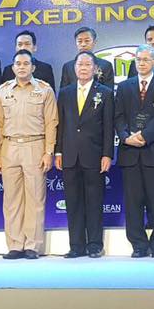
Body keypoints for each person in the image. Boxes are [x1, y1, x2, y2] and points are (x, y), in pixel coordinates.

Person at [0, 49, 58, 259]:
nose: (21, 67)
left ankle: (32, 245)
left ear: (33, 67)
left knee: (35, 198)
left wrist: (49, 151)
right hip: (9, 147)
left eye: (26, 63)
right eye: (18, 64)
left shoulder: (45, 90)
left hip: (35, 145)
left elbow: (51, 122)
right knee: (11, 199)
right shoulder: (3, 90)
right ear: (13, 68)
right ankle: (15, 245)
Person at [114, 44, 154, 257]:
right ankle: (138, 245)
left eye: (146, 59)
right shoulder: (124, 86)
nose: (141, 63)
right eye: (138, 59)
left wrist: (144, 135)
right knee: (133, 202)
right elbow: (118, 116)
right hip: (130, 152)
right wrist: (125, 136)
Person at [55, 51, 114, 258]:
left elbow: (109, 126)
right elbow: (61, 124)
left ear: (95, 68)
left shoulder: (105, 93)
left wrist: (107, 154)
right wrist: (58, 151)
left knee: (94, 201)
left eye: (88, 65)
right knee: (73, 202)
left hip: (94, 155)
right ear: (74, 68)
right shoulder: (65, 93)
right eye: (80, 64)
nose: (83, 68)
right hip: (70, 155)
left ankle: (95, 244)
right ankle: (76, 245)